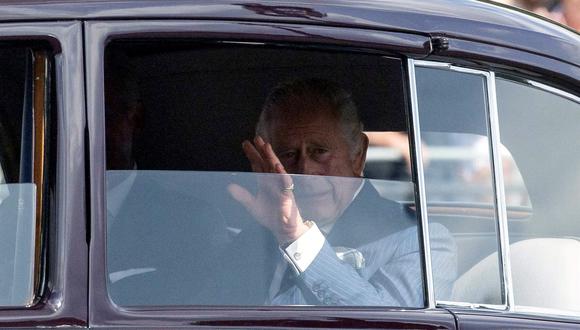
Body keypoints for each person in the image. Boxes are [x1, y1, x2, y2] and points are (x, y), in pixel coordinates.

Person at [210, 78, 456, 306]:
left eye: (319, 151)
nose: (305, 170)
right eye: (288, 154)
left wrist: (296, 236)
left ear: (358, 154)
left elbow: (391, 325)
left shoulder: (420, 241)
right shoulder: (250, 241)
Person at [104, 52, 230, 305]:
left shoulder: (191, 222)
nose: (84, 131)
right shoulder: (19, 221)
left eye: (104, 115)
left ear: (135, 118)